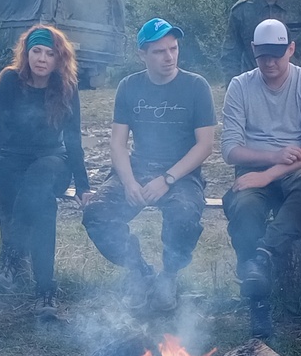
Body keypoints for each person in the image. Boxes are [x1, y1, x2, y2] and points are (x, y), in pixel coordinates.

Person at [83, 18, 217, 312]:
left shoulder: (196, 87)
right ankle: (140, 272)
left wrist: (167, 179)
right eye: (159, 51)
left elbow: (205, 145)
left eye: (173, 49)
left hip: (181, 174)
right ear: (142, 55)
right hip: (139, 167)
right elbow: (117, 143)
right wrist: (129, 182)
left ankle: (169, 275)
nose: (169, 57)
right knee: (96, 212)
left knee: (183, 216)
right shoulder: (129, 86)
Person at [220, 19, 301, 338]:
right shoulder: (240, 86)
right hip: (256, 169)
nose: (269, 62)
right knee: (243, 207)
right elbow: (230, 150)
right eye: (262, 55)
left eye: (277, 55)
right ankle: (259, 307)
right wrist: (271, 159)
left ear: (291, 49)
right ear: (253, 51)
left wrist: (270, 173)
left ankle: (262, 257)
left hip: (298, 168)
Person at [0, 25, 91, 324]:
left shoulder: (67, 86)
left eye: (49, 53)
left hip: (53, 162)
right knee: (42, 205)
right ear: (26, 54)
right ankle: (45, 294)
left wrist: (83, 185)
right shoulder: (9, 81)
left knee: (39, 180)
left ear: (59, 58)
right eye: (36, 51)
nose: (42, 59)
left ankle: (11, 257)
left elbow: (74, 140)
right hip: (12, 163)